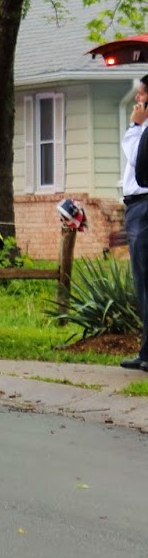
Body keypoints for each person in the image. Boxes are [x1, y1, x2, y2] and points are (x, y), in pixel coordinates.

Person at [121, 75, 148, 371]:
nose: (136, 101)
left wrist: (135, 125)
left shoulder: (143, 130)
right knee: (142, 283)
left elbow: (134, 160)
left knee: (144, 280)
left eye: (140, 95)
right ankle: (145, 351)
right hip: (136, 206)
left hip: (143, 206)